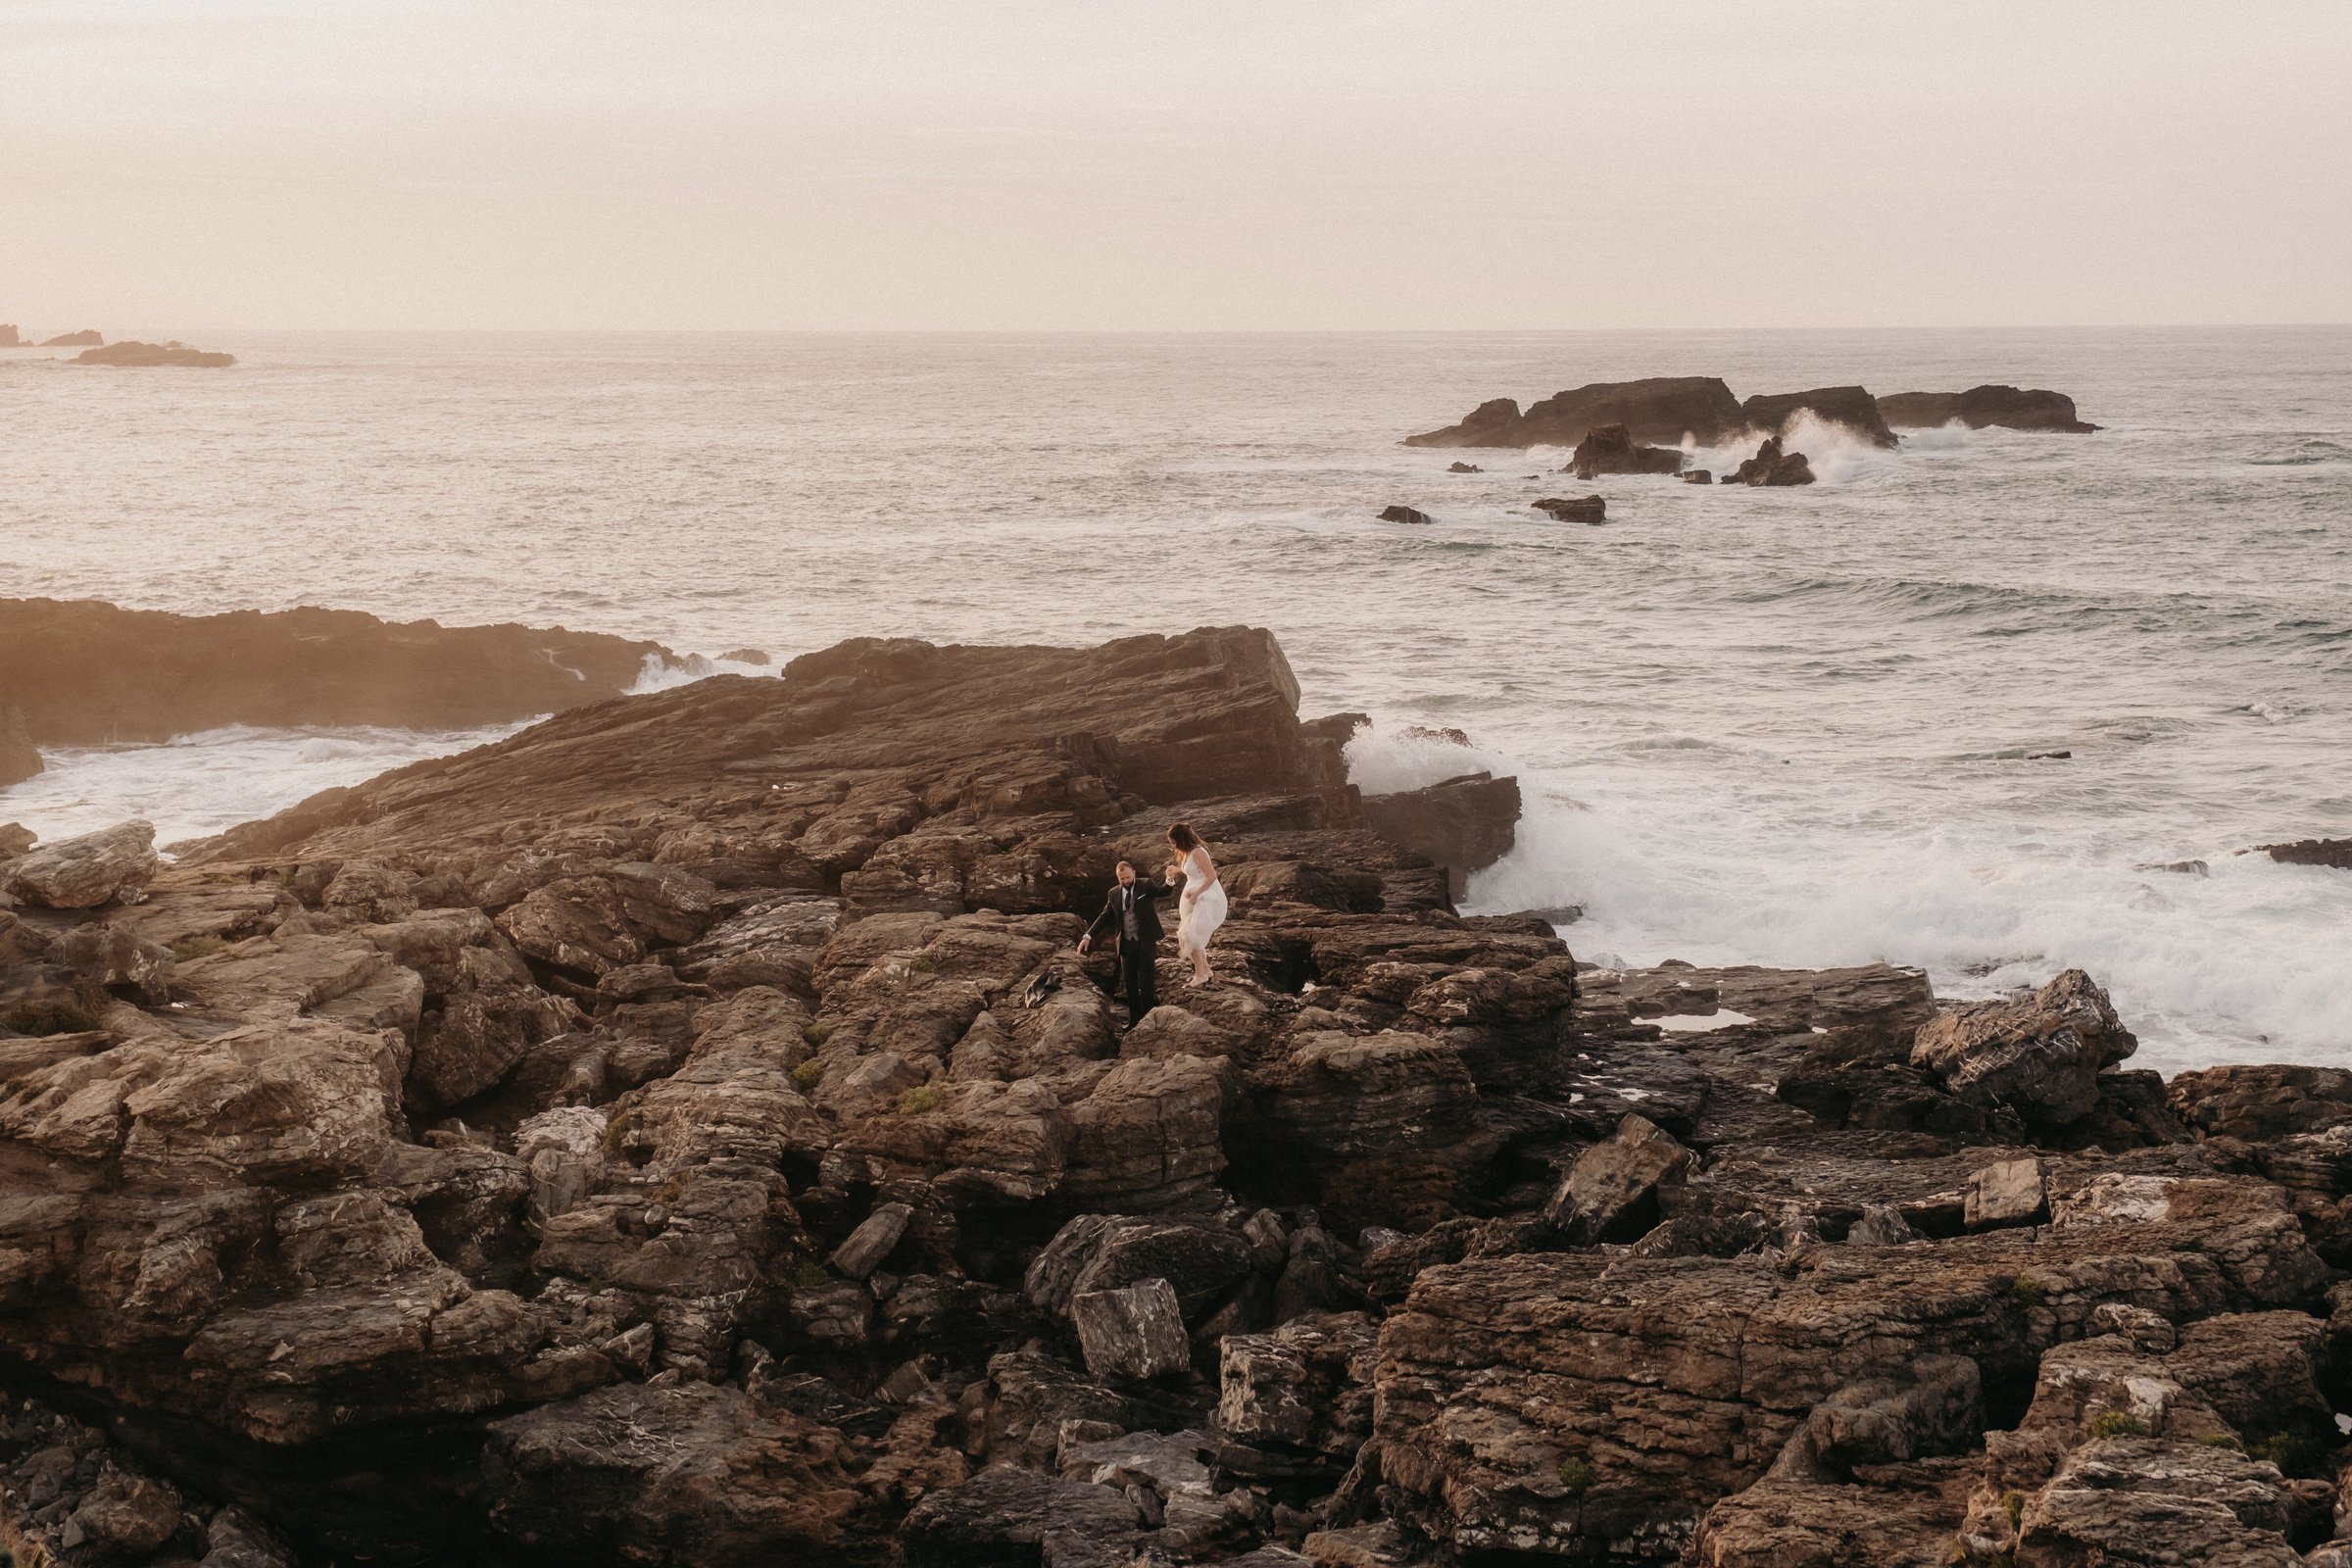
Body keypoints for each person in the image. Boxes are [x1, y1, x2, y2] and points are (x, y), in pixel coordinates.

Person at [1078, 859, 1174, 1028]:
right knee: (1129, 984)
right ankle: (1134, 1021)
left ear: (1134, 873)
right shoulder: (1113, 893)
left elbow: (1163, 892)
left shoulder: (1146, 885)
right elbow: (1104, 915)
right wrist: (1088, 935)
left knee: (1147, 983)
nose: (1125, 881)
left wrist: (1169, 879)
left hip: (1145, 942)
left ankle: (1149, 1020)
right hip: (1125, 945)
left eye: (1128, 877)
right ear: (1118, 878)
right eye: (1122, 879)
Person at [1166, 821, 1226, 987]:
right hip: (1194, 897)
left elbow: (1211, 876)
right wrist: (1176, 870)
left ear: (1181, 839)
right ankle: (1206, 971)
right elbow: (1192, 870)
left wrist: (1195, 895)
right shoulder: (1187, 852)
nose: (1172, 845)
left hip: (1205, 897)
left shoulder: (1198, 852)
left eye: (1173, 841)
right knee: (1190, 935)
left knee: (1191, 936)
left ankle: (1200, 975)